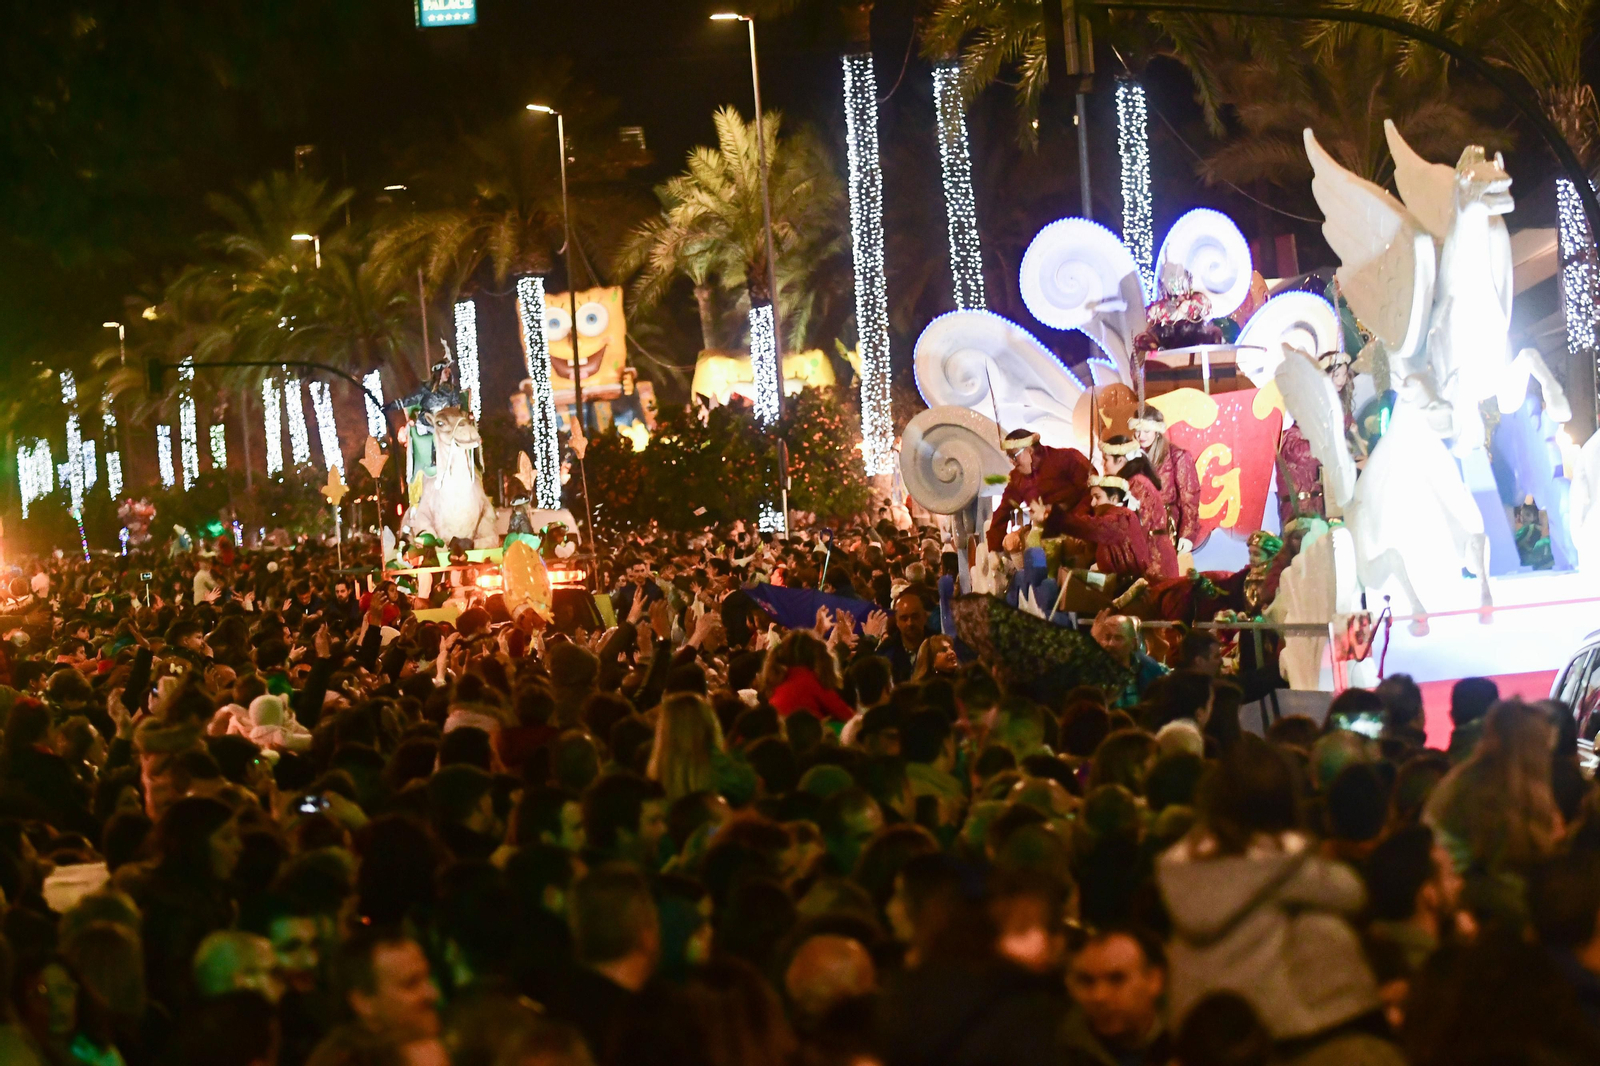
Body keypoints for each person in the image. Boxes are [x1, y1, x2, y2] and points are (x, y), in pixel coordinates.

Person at [1158, 735, 1381, 1042]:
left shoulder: (1181, 866)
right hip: (1276, 1033)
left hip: (1192, 1030)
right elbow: (1350, 892)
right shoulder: (1284, 864)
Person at [1062, 927, 1170, 1066]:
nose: (1099, 996)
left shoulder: (1189, 1047)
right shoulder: (1056, 1051)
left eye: (1116, 979)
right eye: (1087, 981)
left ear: (1154, 980)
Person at [986, 429, 1094, 552]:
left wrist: (1076, 520)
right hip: (1044, 539)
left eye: (1013, 456)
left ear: (1030, 450)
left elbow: (1092, 491)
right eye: (1009, 457)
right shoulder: (1017, 478)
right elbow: (1003, 511)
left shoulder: (1067, 459)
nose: (1011, 462)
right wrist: (993, 550)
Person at [1101, 435, 1180, 579]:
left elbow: (1139, 527)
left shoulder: (1137, 484)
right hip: (1151, 554)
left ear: (1121, 460)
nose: (1103, 464)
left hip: (1154, 558)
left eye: (1106, 459)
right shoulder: (1134, 482)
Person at [1129, 409, 1200, 555]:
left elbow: (1189, 497)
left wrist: (1187, 534)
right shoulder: (1131, 457)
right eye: (1137, 430)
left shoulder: (1178, 456)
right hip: (1139, 523)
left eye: (1146, 431)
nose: (1141, 436)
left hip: (1165, 525)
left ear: (1157, 431)